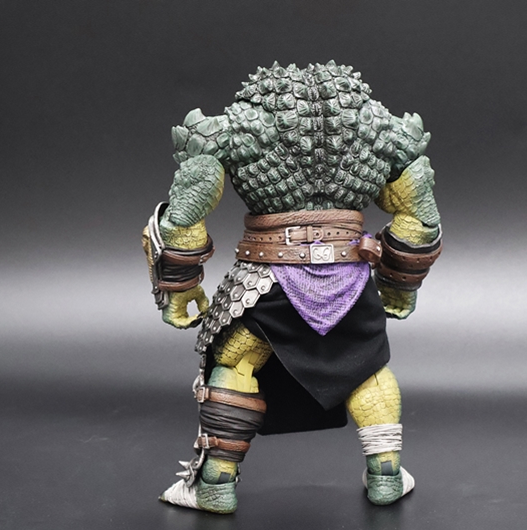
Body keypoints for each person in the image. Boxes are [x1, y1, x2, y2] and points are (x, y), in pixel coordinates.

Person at [142, 61, 442, 514]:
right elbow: (420, 218)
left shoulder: (239, 125)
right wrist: (399, 286)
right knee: (368, 368)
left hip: (265, 280)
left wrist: (180, 288)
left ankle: (215, 483)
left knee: (235, 364)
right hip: (350, 279)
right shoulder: (381, 127)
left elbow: (185, 212)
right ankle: (386, 475)